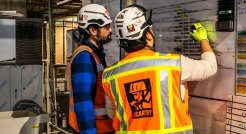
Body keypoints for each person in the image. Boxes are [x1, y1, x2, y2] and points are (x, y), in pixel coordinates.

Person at [102, 4, 217, 133]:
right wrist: (203, 39)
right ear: (148, 36)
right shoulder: (173, 64)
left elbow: (113, 113)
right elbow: (210, 67)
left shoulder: (110, 75)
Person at [67, 4, 114, 134]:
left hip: (103, 128)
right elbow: (83, 104)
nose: (110, 30)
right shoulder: (84, 58)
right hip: (95, 130)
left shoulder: (95, 54)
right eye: (106, 27)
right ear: (93, 30)